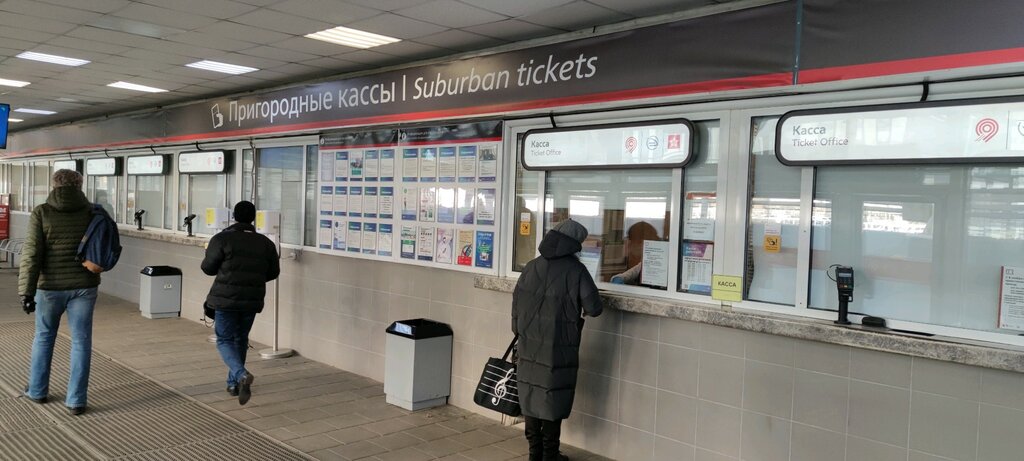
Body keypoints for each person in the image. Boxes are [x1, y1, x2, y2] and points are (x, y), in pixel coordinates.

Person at [512, 219, 603, 461]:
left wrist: (522, 333)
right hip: (559, 347)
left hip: (529, 345)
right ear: (575, 244)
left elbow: (516, 307)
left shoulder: (531, 266)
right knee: (553, 397)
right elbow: (594, 308)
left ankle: (535, 453)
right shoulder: (576, 271)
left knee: (531, 395)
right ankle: (550, 454)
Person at [19, 169, 101, 416]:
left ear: (54, 185)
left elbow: (32, 253)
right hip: (84, 286)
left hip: (49, 288)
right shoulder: (93, 211)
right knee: (81, 341)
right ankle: (76, 400)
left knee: (44, 337)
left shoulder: (42, 212)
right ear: (80, 185)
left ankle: (37, 391)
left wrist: (26, 291)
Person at [201, 200, 279, 405]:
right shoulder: (265, 243)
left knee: (224, 340)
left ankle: (241, 374)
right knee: (240, 339)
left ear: (234, 217)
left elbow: (208, 268)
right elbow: (273, 272)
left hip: (225, 300)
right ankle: (233, 384)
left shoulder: (222, 239)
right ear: (253, 218)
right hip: (251, 300)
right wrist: (252, 280)